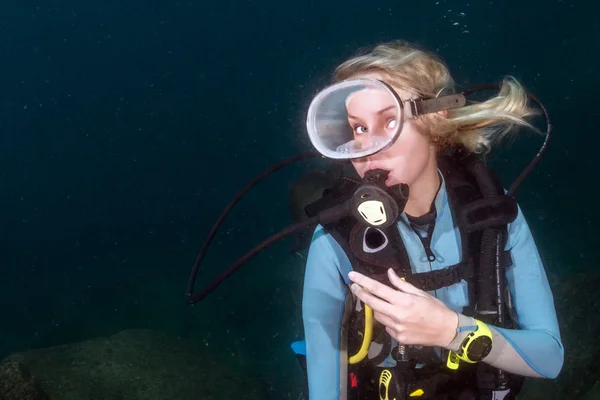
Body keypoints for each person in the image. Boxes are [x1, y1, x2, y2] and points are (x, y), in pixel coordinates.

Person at [297, 40, 564, 400]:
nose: (369, 147)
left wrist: (453, 331)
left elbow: (550, 358)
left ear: (435, 117)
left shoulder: (493, 216)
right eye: (358, 129)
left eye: (389, 120)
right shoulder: (333, 240)